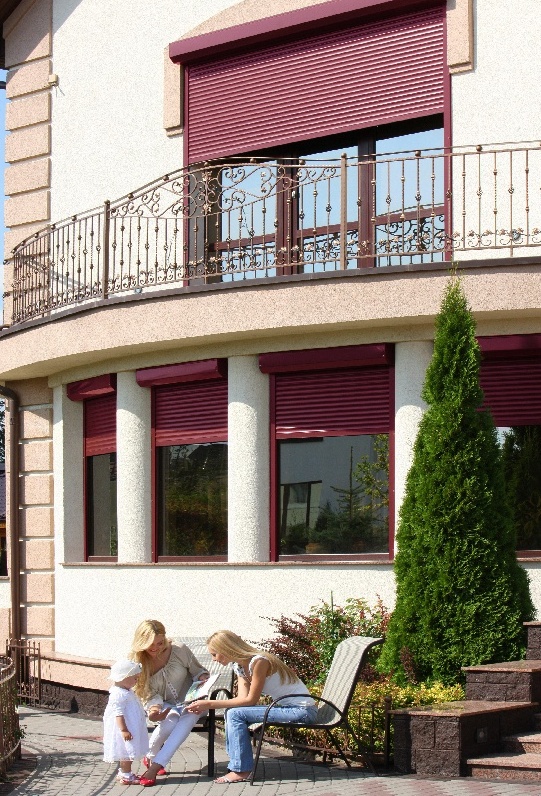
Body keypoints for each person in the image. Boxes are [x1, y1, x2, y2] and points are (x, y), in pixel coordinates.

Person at [187, 629, 317, 784]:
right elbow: (243, 699)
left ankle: (241, 770)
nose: (213, 659)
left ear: (225, 649)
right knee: (232, 712)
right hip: (288, 708)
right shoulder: (240, 666)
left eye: (214, 654)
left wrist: (209, 704)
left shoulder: (259, 662)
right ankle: (238, 765)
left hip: (302, 711)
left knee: (235, 714)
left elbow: (250, 700)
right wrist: (208, 704)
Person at [130, 619, 209, 787]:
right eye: (150, 644)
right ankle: (151, 757)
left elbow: (198, 671)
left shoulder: (179, 649)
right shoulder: (137, 662)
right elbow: (146, 693)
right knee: (170, 721)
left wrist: (203, 679)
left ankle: (154, 766)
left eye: (160, 643)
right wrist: (155, 709)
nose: (155, 648)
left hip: (191, 701)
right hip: (161, 702)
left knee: (188, 718)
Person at [103, 658, 148, 785]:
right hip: (126, 727)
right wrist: (123, 730)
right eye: (134, 678)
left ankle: (124, 772)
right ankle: (126, 774)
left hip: (131, 725)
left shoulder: (126, 691)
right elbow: (118, 713)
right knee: (127, 750)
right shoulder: (118, 694)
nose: (136, 680)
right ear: (124, 678)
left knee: (128, 749)